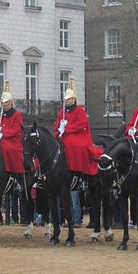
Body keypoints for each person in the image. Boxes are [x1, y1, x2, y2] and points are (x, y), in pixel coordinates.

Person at [52, 76, 103, 225]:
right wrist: (58, 128)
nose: (66, 101)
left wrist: (66, 127)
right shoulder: (62, 112)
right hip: (64, 136)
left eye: (68, 99)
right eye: (65, 99)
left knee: (74, 146)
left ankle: (78, 173)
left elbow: (81, 125)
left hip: (78, 137)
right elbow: (56, 124)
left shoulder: (80, 111)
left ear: (73, 99)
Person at [0, 81, 25, 224]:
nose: (5, 105)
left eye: (6, 103)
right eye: (3, 103)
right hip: (2, 139)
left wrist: (3, 133)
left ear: (11, 103)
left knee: (7, 148)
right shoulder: (0, 115)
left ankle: (14, 175)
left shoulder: (16, 114)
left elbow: (17, 129)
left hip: (12, 141)